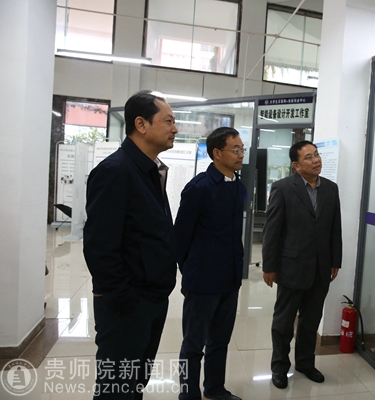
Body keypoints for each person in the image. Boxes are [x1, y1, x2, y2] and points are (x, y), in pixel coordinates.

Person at [83, 90, 178, 399]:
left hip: (150, 298)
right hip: (128, 305)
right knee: (116, 387)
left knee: (134, 382)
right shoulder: (116, 171)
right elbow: (99, 246)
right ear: (141, 124)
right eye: (168, 121)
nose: (175, 128)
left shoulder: (148, 170)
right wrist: (124, 300)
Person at [262, 140, 343, 389]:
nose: (316, 160)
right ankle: (279, 367)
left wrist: (335, 260)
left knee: (311, 320)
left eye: (316, 155)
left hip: (321, 267)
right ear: (296, 165)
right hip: (291, 267)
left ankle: (306, 363)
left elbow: (335, 227)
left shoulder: (330, 188)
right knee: (284, 322)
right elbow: (272, 230)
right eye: (309, 157)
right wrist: (269, 266)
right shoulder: (283, 188)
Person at [175, 127, 247, 400]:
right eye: (235, 150)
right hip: (203, 280)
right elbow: (180, 236)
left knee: (220, 340)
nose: (241, 154)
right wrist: (190, 271)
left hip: (230, 277)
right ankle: (188, 393)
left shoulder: (238, 186)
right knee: (193, 344)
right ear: (217, 153)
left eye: (242, 149)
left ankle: (215, 388)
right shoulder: (199, 188)